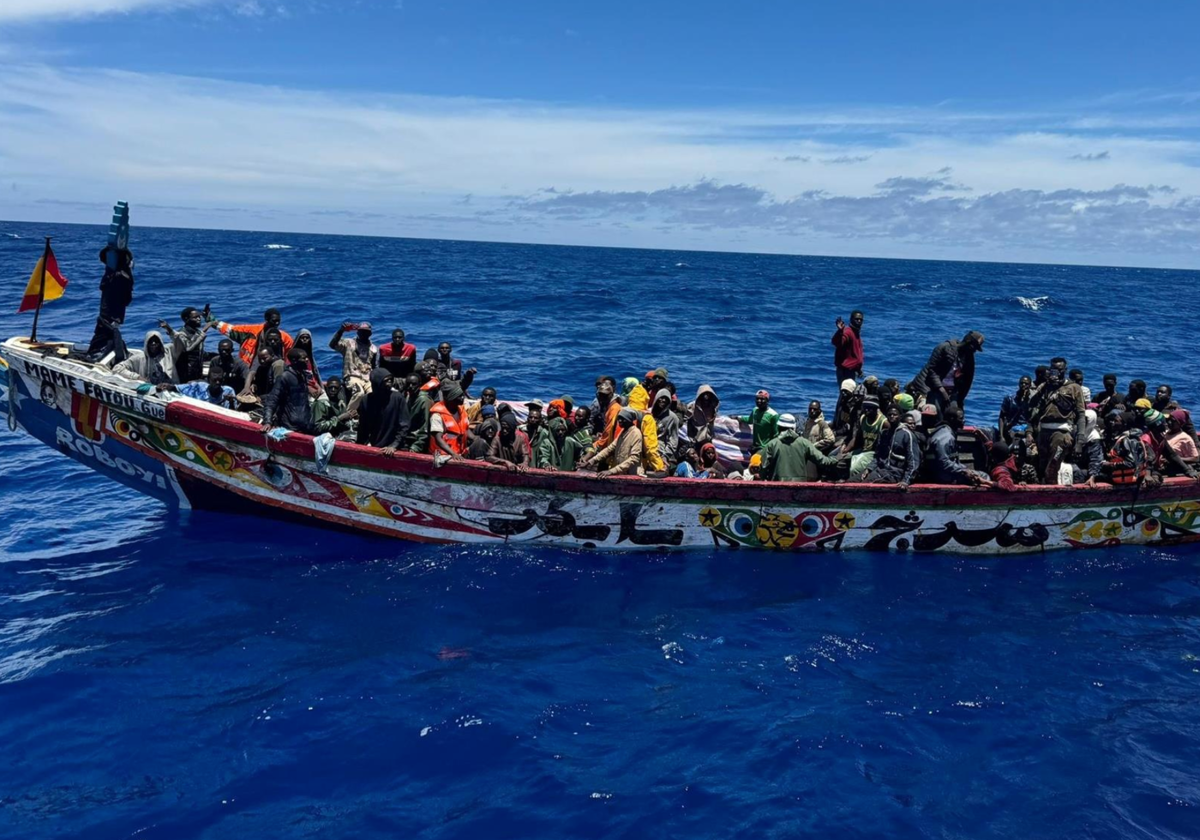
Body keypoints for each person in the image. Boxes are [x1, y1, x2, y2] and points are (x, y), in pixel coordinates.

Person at [1031, 366, 1086, 484]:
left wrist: (1080, 440)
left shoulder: (1074, 388)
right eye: (1054, 369)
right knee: (1041, 467)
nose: (1056, 372)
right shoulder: (1045, 386)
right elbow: (1031, 404)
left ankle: (1053, 496)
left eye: (1060, 370)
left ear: (1065, 370)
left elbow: (1081, 414)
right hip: (1044, 432)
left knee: (1052, 467)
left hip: (1061, 433)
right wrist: (1046, 385)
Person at [911, 330, 984, 414]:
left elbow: (968, 380)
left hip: (951, 390)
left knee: (954, 413)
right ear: (967, 342)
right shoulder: (945, 348)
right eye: (973, 346)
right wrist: (941, 390)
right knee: (936, 411)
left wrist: (960, 398)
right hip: (932, 387)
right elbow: (932, 371)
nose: (974, 350)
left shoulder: (969, 357)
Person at [86, 245, 136, 359]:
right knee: (105, 333)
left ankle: (96, 356)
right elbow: (128, 299)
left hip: (110, 313)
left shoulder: (116, 275)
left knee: (104, 334)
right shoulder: (124, 275)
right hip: (113, 314)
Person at [760, 413, 841, 482]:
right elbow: (824, 461)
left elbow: (762, 467)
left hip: (778, 486)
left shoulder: (772, 444)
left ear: (778, 427)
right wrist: (837, 458)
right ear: (793, 428)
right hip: (799, 486)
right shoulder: (804, 443)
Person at [928, 406, 991, 486]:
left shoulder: (947, 432)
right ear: (952, 419)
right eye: (961, 418)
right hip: (942, 476)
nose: (964, 421)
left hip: (944, 472)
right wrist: (963, 471)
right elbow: (943, 462)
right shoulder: (945, 437)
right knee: (984, 476)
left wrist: (965, 469)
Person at [357, 369, 412, 455]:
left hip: (393, 446)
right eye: (386, 381)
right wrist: (364, 444)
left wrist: (394, 445)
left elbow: (404, 425)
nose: (389, 383)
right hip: (373, 444)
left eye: (391, 380)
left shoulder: (398, 398)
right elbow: (363, 427)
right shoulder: (366, 400)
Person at [865, 408, 921, 489]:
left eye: (895, 414)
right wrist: (869, 469)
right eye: (889, 414)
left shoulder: (907, 435)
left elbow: (913, 461)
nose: (892, 416)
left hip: (895, 473)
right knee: (853, 480)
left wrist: (906, 480)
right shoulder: (884, 433)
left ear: (900, 416)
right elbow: (877, 456)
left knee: (865, 483)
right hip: (880, 470)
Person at [261, 348, 314, 433]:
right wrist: (267, 421)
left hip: (305, 424)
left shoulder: (302, 376)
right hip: (290, 426)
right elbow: (272, 400)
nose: (307, 360)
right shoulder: (284, 377)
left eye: (307, 357)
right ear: (294, 360)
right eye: (303, 358)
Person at [217, 308, 293, 366]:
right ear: (266, 319)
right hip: (249, 367)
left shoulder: (285, 338)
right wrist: (211, 319)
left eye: (278, 321)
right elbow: (229, 329)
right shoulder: (251, 332)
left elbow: (292, 354)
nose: (276, 323)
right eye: (274, 321)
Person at [159, 306, 215, 383]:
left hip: (197, 370)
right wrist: (204, 331)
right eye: (195, 317)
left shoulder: (197, 332)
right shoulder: (182, 333)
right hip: (186, 373)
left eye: (199, 317)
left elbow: (198, 352)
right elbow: (188, 348)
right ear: (186, 319)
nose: (199, 319)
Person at [581, 409, 644, 476]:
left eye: (623, 419)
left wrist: (611, 471)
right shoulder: (623, 432)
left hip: (632, 475)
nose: (620, 421)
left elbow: (634, 458)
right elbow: (609, 449)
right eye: (619, 418)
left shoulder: (636, 433)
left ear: (629, 420)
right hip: (622, 473)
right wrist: (591, 461)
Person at [329, 321, 379, 399]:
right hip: (352, 377)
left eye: (366, 332)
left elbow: (374, 367)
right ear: (357, 332)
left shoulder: (373, 348)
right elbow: (332, 345)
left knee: (374, 394)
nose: (364, 334)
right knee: (359, 393)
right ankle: (350, 411)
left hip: (367, 379)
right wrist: (341, 330)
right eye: (361, 331)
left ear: (370, 334)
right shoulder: (348, 343)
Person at [113, 331, 177, 385]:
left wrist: (170, 331)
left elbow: (180, 343)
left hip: (173, 387)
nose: (153, 344)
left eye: (156, 341)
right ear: (147, 344)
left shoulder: (169, 351)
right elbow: (117, 368)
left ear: (160, 343)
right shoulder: (139, 358)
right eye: (150, 342)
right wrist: (138, 377)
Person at [847, 397, 886, 479]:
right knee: (839, 460)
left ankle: (853, 484)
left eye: (869, 409)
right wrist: (845, 450)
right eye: (864, 408)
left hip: (873, 452)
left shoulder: (883, 422)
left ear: (875, 410)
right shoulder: (863, 418)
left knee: (854, 468)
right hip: (862, 450)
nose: (866, 411)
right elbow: (857, 437)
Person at [429, 380, 470, 459]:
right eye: (460, 396)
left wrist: (476, 439)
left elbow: (466, 430)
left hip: (459, 451)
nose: (463, 398)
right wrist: (453, 454)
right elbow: (438, 439)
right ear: (452, 398)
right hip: (443, 455)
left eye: (462, 395)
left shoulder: (461, 410)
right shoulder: (437, 415)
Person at [161, 367, 237, 408]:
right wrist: (168, 386)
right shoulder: (198, 388)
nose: (217, 383)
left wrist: (231, 402)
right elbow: (179, 388)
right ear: (208, 380)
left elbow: (234, 413)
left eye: (219, 380)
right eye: (215, 380)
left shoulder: (228, 391)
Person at [737, 390, 780, 455]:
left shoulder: (773, 415)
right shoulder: (755, 410)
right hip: (755, 447)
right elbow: (750, 420)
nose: (759, 401)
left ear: (767, 401)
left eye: (762, 399)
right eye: (757, 399)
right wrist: (739, 418)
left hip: (765, 449)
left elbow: (776, 435)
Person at [831, 310, 864, 386]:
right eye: (857, 319)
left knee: (851, 394)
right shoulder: (847, 332)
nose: (859, 321)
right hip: (845, 371)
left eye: (861, 319)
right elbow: (837, 342)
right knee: (846, 394)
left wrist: (858, 369)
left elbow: (854, 354)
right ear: (851, 319)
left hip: (852, 370)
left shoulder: (856, 332)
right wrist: (840, 331)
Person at [649, 389, 680, 470]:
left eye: (666, 399)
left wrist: (665, 456)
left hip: (660, 450)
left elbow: (673, 440)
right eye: (661, 398)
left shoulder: (673, 418)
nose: (663, 401)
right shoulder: (648, 413)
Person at [588, 376, 622, 448]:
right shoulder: (608, 405)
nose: (602, 398)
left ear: (611, 394)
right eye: (600, 395)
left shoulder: (614, 409)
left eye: (605, 395)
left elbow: (609, 436)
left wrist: (595, 445)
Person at [404, 374, 435, 452]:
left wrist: (416, 447)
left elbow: (425, 427)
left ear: (420, 384)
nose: (410, 386)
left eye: (414, 384)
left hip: (417, 442)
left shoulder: (424, 401)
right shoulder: (409, 397)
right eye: (408, 384)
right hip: (407, 438)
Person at [998, 375, 1033, 443]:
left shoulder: (1032, 400)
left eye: (1026, 384)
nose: (1023, 385)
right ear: (1019, 384)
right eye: (1022, 383)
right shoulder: (1010, 398)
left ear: (1030, 385)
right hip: (1011, 427)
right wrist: (1001, 436)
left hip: (1026, 429)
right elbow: (1001, 417)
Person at [524, 401, 556, 469]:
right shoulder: (521, 430)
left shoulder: (544, 432)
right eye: (530, 408)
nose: (533, 420)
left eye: (535, 418)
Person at [293, 329, 324, 394]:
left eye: (307, 338)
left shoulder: (310, 356)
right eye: (302, 337)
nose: (304, 339)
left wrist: (318, 386)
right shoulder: (293, 356)